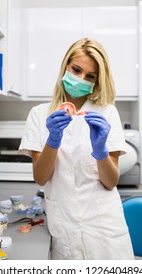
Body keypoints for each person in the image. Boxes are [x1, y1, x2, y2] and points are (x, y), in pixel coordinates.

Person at [19, 38, 134, 260]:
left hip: (105, 231)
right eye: (76, 70)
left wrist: (100, 151)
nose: (81, 79)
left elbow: (110, 182)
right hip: (64, 228)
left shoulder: (107, 113)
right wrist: (53, 140)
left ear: (97, 81)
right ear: (66, 66)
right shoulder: (39, 114)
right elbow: (41, 178)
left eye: (90, 76)